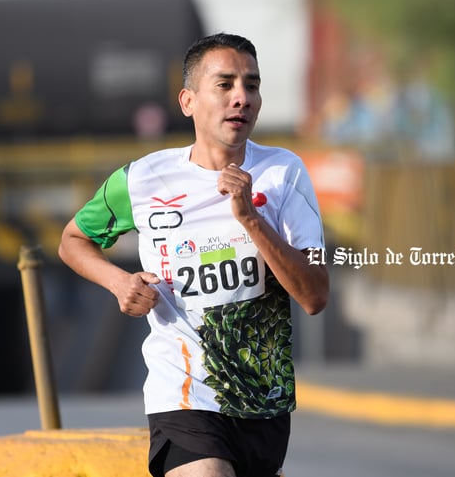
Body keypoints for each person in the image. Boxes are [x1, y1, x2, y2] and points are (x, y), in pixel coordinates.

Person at [58, 32, 329, 477]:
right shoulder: (143, 179)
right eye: (224, 85)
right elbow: (72, 239)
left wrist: (251, 219)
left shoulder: (283, 173)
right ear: (188, 101)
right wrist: (118, 282)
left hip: (262, 400)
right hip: (182, 393)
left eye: (252, 85)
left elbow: (315, 295)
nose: (241, 98)